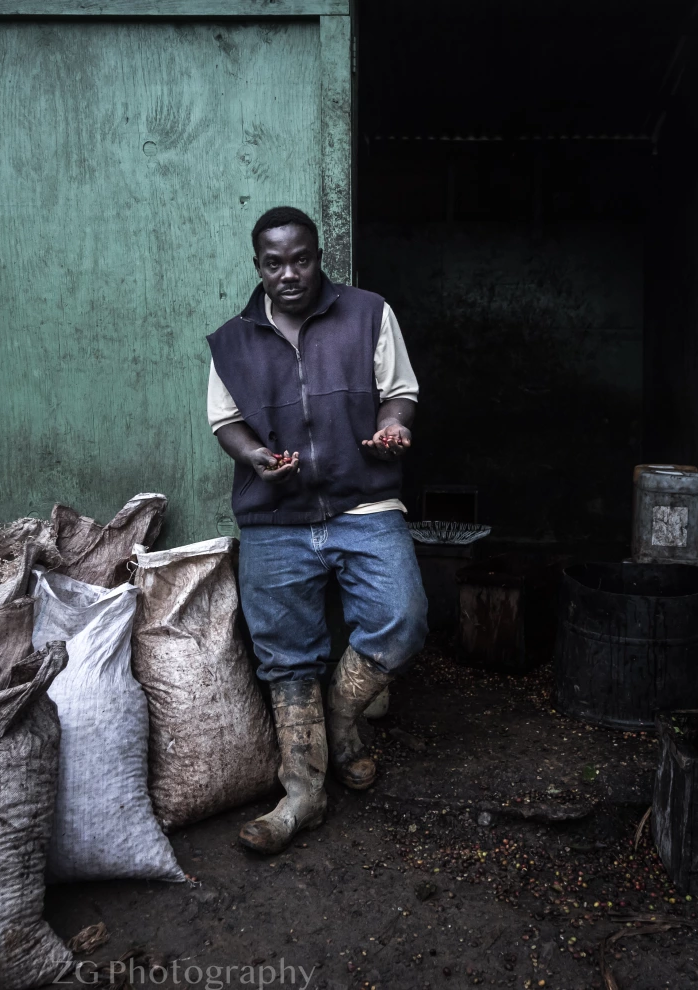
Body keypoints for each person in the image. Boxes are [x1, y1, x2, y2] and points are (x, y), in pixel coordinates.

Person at [206, 206, 428, 855]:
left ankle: (337, 721)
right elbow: (226, 421)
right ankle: (303, 790)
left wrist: (396, 428)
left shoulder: (367, 314)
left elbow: (401, 391)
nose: (289, 273)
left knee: (403, 617)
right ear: (258, 267)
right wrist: (253, 457)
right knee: (285, 653)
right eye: (274, 263)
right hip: (276, 515)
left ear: (317, 255)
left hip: (364, 502)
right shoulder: (230, 341)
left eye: (300, 259)